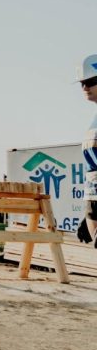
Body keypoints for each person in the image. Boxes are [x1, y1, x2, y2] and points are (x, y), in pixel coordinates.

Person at [79, 53, 97, 243]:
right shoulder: (93, 120)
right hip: (93, 195)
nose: (84, 87)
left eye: (90, 81)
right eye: (82, 82)